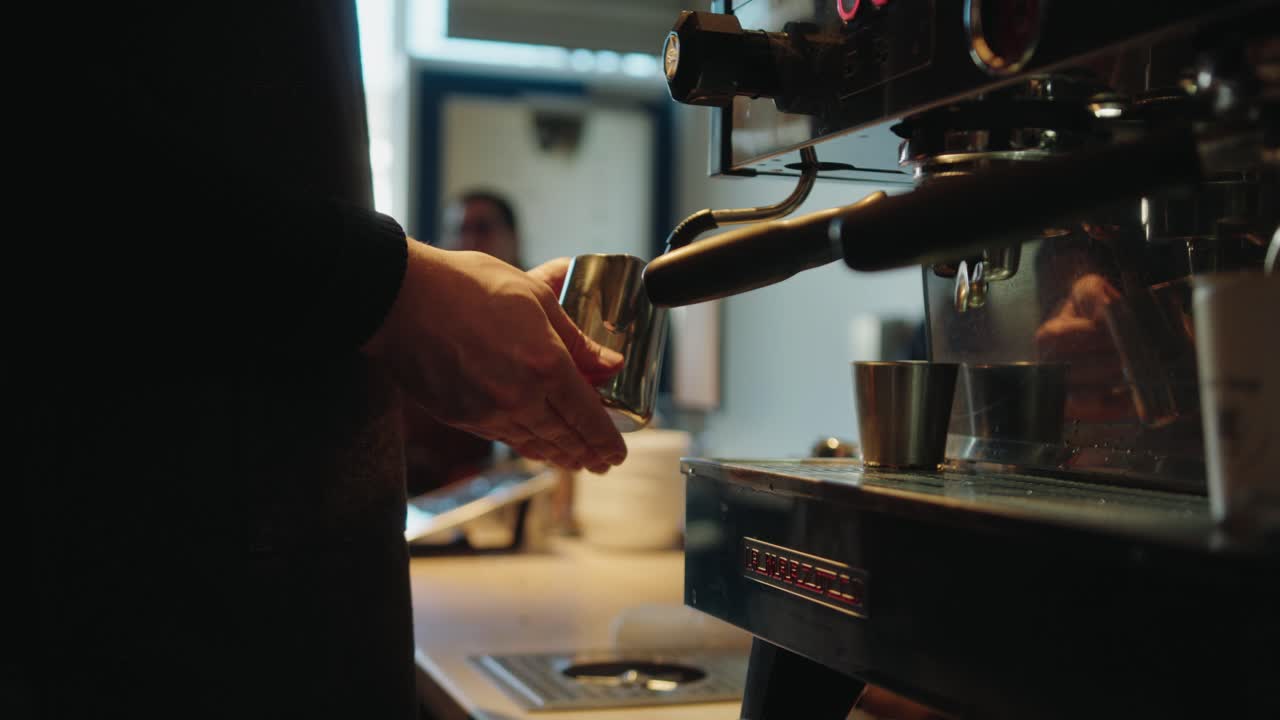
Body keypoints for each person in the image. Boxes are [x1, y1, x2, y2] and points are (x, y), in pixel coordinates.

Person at [16, 5, 626, 718]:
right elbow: (54, 138)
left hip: (283, 588)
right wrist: (398, 290)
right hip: (151, 605)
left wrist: (405, 298)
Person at [403, 190, 529, 494]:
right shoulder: (424, 319)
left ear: (513, 239)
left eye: (483, 228)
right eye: (459, 230)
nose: (469, 241)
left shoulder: (540, 315)